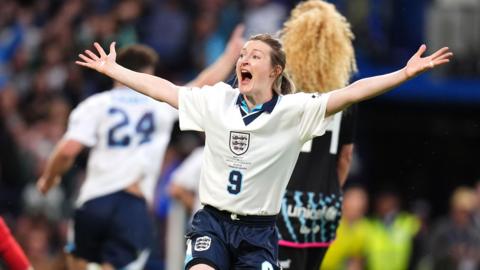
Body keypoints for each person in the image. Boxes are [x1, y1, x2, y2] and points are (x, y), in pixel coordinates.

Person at [75, 33, 452, 269]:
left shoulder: (294, 112)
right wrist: (115, 71)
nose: (244, 60)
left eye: (255, 55)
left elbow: (352, 92)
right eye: (243, 55)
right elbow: (164, 90)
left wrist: (404, 73)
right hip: (213, 222)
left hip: (259, 231)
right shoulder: (217, 101)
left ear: (275, 71)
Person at [37, 26, 244, 270]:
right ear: (147, 75)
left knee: (76, 262)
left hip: (93, 202)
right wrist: (231, 54)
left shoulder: (95, 104)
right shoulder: (156, 104)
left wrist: (48, 179)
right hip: (131, 204)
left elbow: (68, 149)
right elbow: (201, 84)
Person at [275, 1, 358, 269]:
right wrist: (329, 191)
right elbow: (345, 157)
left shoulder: (282, 92)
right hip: (324, 207)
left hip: (284, 204)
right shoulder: (343, 99)